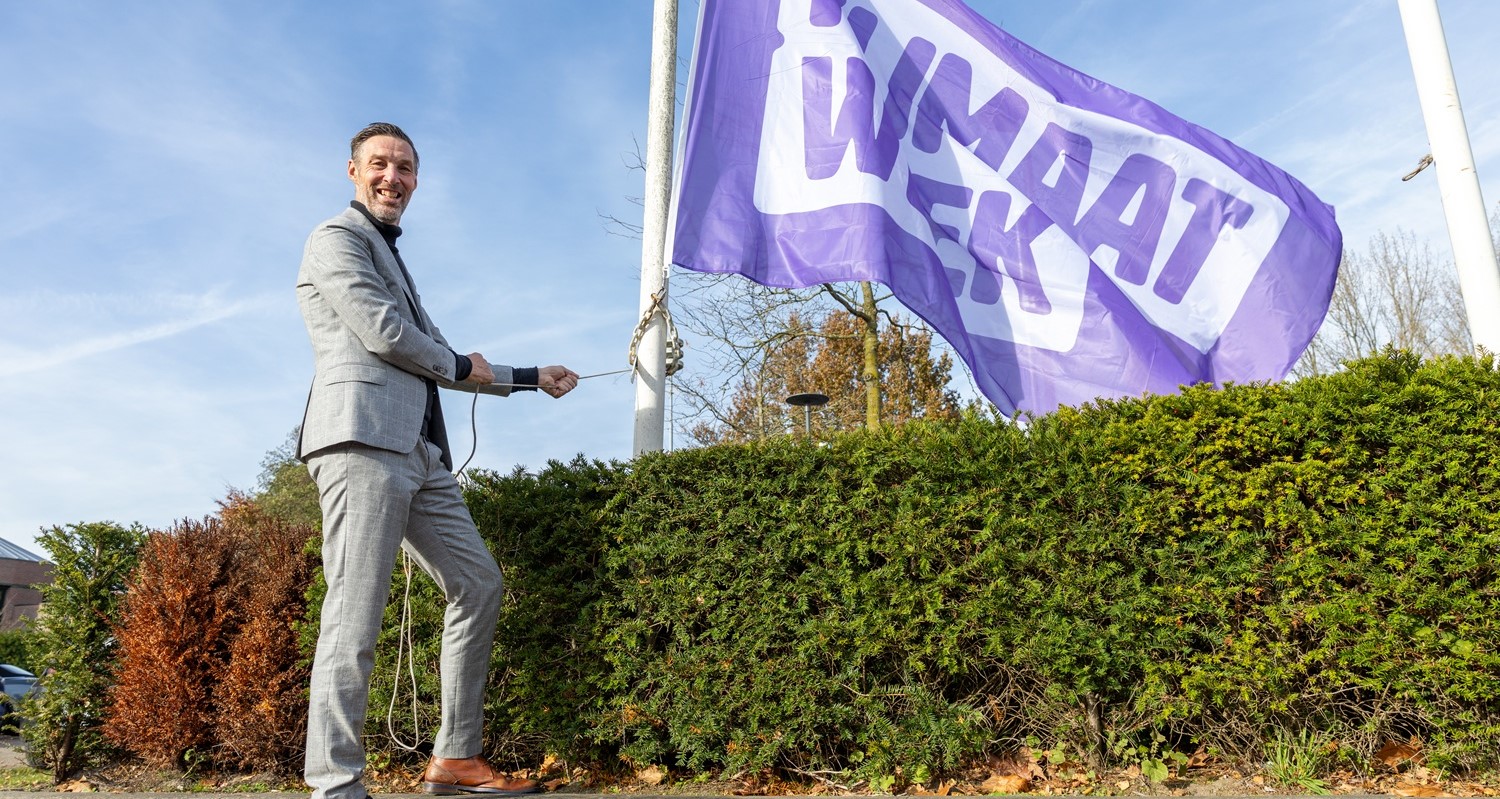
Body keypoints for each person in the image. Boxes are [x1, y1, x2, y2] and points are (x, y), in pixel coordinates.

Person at [296, 122, 579, 799]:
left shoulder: (395, 261)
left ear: (416, 180)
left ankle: (454, 757)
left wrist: (530, 376)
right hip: (362, 441)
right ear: (353, 171)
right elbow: (383, 332)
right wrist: (453, 362)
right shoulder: (335, 238)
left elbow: (448, 358)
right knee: (354, 618)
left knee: (477, 584)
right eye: (379, 164)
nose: (392, 177)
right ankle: (335, 784)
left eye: (405, 167)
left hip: (422, 455)